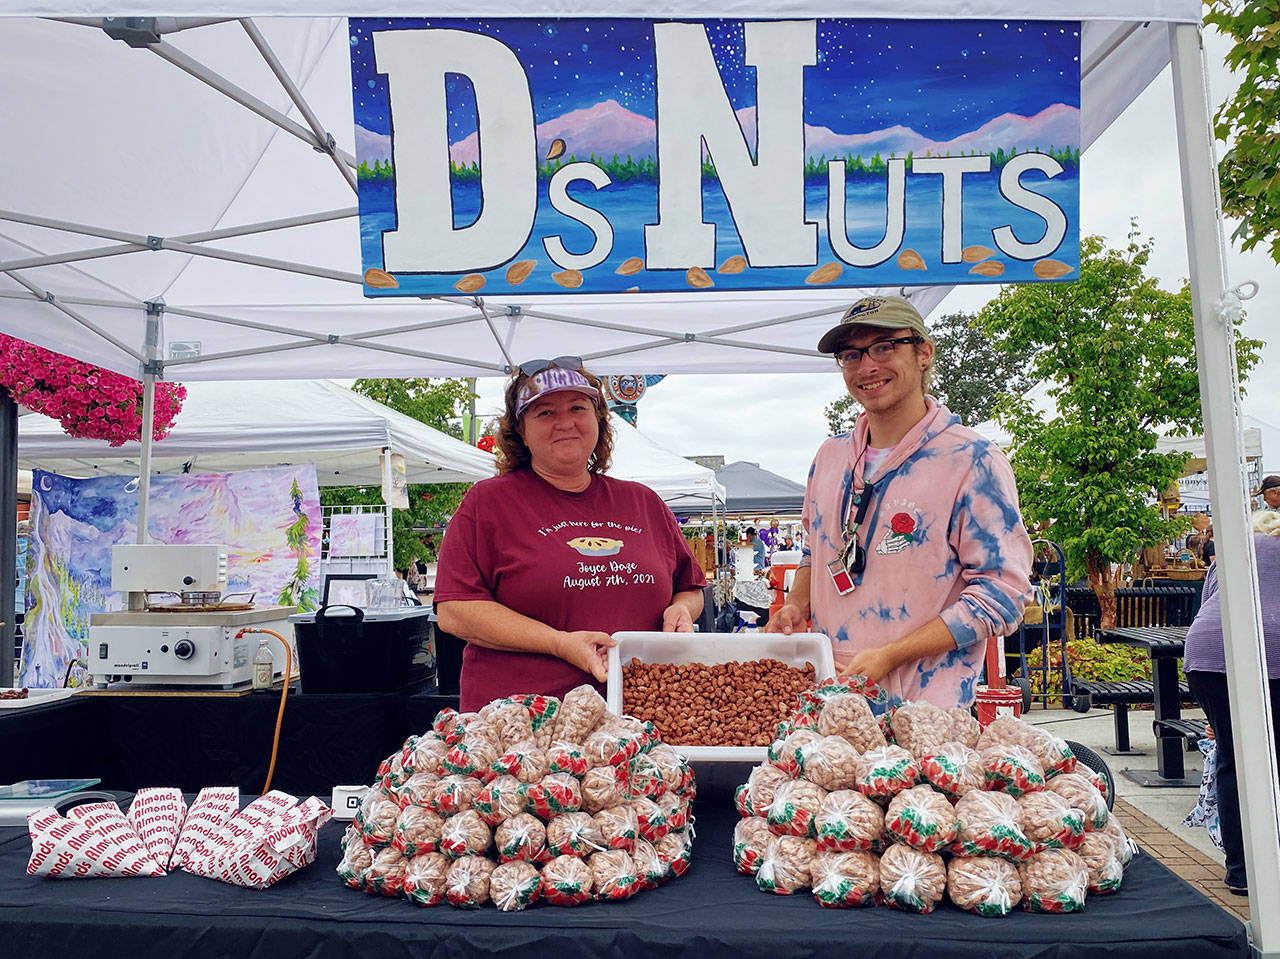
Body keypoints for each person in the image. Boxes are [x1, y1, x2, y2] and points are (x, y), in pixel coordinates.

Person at [767, 295, 1033, 709]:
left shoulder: (972, 460)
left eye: (885, 347)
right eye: (851, 354)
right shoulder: (830, 457)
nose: (867, 366)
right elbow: (813, 553)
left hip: (926, 711)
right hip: (829, 700)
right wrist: (797, 603)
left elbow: (1003, 594)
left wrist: (892, 655)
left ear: (924, 353)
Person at [434, 357, 706, 710]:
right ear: (521, 432)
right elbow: (455, 611)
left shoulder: (643, 502)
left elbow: (689, 586)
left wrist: (681, 610)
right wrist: (559, 643)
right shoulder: (487, 502)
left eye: (577, 408)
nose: (565, 423)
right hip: (523, 722)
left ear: (598, 420)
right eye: (545, 413)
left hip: (640, 715)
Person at [1184, 508, 1280, 896]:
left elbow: (1208, 601)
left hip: (1206, 655)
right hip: (1268, 652)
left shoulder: (1233, 550)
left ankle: (1240, 870)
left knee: (1232, 754)